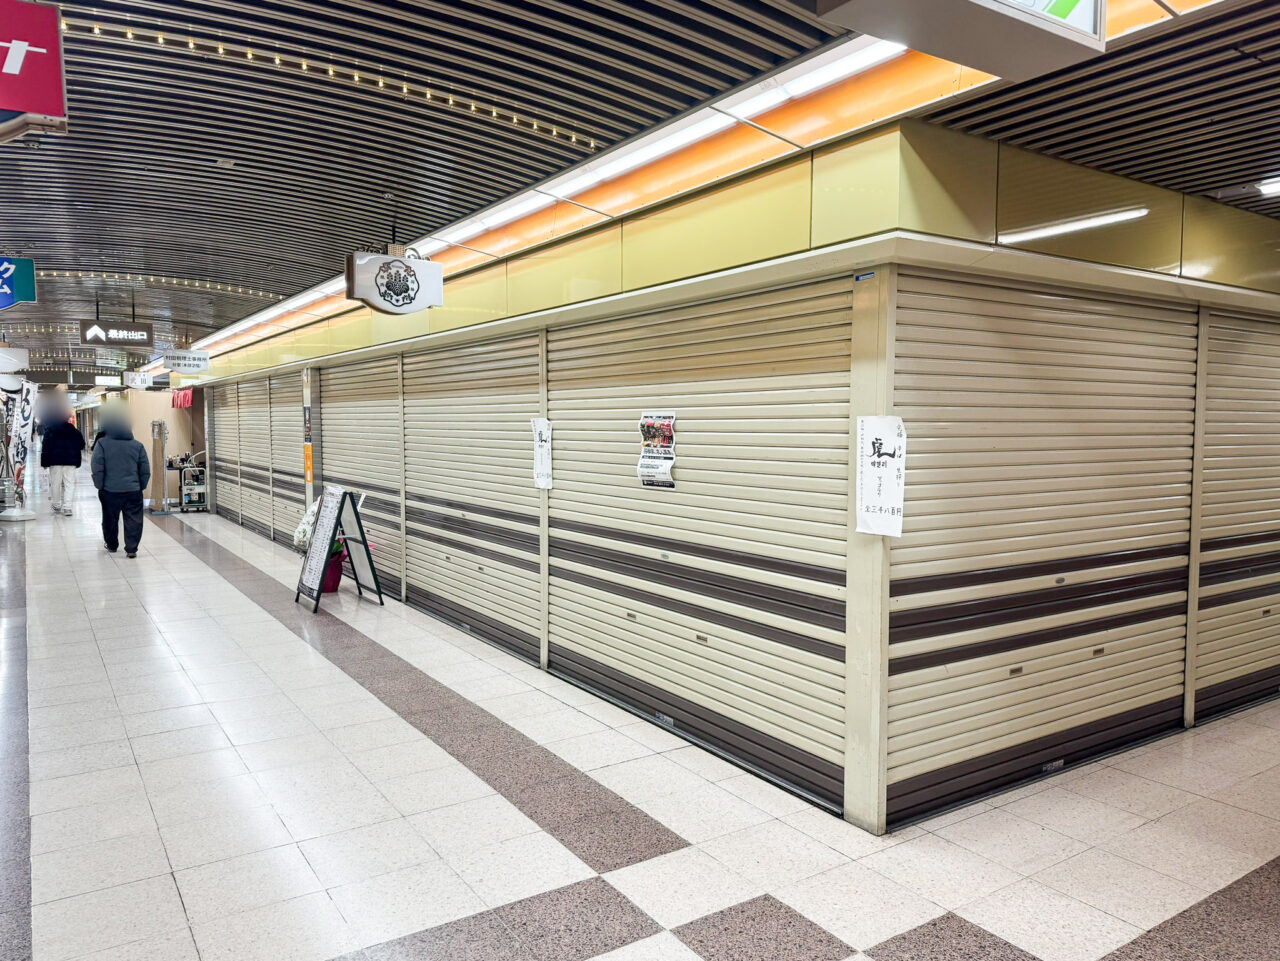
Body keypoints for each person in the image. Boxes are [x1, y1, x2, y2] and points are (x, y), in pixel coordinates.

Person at [91, 410, 150, 558]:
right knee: (134, 520)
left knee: (110, 519)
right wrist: (141, 486)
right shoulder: (138, 446)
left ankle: (112, 545)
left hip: (109, 490)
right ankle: (131, 548)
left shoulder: (102, 444)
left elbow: (97, 467)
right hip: (133, 490)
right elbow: (145, 470)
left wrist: (100, 485)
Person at [40, 409, 86, 516]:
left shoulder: (50, 430)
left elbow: (45, 447)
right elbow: (81, 445)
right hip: (70, 461)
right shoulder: (74, 431)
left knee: (55, 483)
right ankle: (67, 508)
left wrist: (44, 462)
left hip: (55, 461)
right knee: (69, 483)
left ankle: (56, 505)